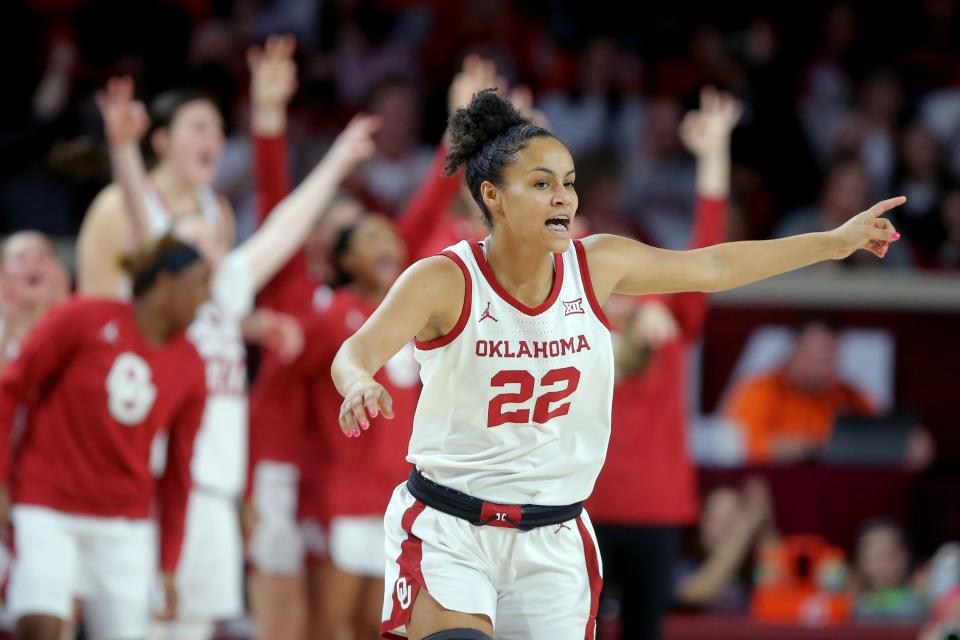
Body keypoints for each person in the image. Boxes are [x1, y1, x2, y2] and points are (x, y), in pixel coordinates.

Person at [330, 87, 903, 639]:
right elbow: (355, 351)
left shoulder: (599, 263)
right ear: (492, 197)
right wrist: (358, 381)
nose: (563, 197)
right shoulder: (443, 279)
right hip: (450, 525)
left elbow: (715, 267)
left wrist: (834, 241)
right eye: (541, 183)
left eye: (569, 183)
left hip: (552, 535)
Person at [88, 65, 378, 640]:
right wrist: (122, 152)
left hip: (216, 491)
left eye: (216, 231)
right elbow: (146, 227)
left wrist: (340, 159)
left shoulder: (225, 289)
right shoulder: (166, 297)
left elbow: (285, 228)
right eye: (194, 235)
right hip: (155, 483)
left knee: (195, 629)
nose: (214, 236)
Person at [245, 52, 508, 640]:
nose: (384, 237)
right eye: (355, 229)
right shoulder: (302, 294)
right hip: (293, 473)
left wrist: (461, 121)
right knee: (294, 622)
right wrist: (267, 116)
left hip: (369, 480)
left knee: (373, 622)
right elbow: (272, 205)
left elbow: (428, 201)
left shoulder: (394, 294)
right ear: (328, 248)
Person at [0, 236, 209, 640]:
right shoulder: (83, 317)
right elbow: (10, 389)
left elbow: (179, 472)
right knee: (40, 624)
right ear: (165, 282)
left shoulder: (192, 365)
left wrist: (168, 562)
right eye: (200, 281)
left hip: (124, 519)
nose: (206, 297)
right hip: (48, 503)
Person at [587, 87, 737, 640]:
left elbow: (709, 248)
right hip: (584, 504)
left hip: (654, 508)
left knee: (646, 632)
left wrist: (714, 155)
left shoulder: (674, 314)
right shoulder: (569, 315)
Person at [723, 316, 876, 464]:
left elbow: (879, 440)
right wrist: (810, 448)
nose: (826, 363)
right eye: (819, 355)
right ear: (797, 351)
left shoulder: (847, 396)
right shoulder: (761, 390)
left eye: (831, 355)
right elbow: (744, 446)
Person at [674, 480, 777, 613]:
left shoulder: (749, 567)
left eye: (731, 520)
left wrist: (764, 523)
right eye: (717, 519)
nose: (724, 528)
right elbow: (695, 594)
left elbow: (775, 580)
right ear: (701, 522)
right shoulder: (683, 564)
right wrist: (742, 531)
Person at [0, 231, 70, 370]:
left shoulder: (77, 324)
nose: (33, 264)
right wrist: (10, 326)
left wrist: (64, 308)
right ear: (2, 273)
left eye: (42, 256)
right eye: (21, 258)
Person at [852, 518, 926, 621]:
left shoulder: (922, 602)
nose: (884, 565)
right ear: (861, 561)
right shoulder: (850, 606)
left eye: (891, 556)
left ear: (905, 557)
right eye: (876, 557)